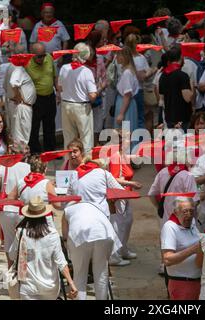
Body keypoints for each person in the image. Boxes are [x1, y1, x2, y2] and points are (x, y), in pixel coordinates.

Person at [9, 196, 77, 300]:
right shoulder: (53, 234)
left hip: (28, 287)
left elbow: (12, 255)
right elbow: (61, 262)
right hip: (50, 287)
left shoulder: (21, 232)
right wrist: (71, 283)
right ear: (44, 214)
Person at [62, 201, 121, 300]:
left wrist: (68, 249)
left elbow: (65, 235)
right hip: (104, 235)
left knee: (80, 274)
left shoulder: (67, 210)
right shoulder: (95, 207)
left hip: (81, 237)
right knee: (101, 273)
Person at [0, 140, 31, 265]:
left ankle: (10, 269)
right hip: (23, 209)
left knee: (8, 241)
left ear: (11, 152)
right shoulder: (28, 168)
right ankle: (22, 269)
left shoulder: (3, 167)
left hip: (6, 209)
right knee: (24, 241)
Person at [108, 130, 142, 265]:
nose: (130, 141)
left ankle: (123, 249)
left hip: (125, 194)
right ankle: (114, 256)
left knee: (127, 222)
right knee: (118, 225)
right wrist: (131, 183)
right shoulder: (116, 156)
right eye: (128, 139)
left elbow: (134, 157)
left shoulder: (122, 154)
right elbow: (114, 179)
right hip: (118, 195)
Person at [58, 43, 97, 154]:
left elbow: (59, 87)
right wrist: (100, 88)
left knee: (68, 137)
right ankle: (85, 163)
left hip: (66, 105)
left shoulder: (64, 68)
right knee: (86, 138)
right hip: (81, 107)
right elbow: (92, 96)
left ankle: (69, 163)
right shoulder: (86, 72)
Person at [161, 197, 201, 300]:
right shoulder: (170, 227)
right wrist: (192, 250)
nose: (189, 215)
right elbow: (167, 259)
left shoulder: (192, 223)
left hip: (198, 281)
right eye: (185, 211)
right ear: (176, 212)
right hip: (182, 283)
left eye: (191, 211)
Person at [26, 42, 57, 153]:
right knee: (34, 126)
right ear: (32, 54)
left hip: (50, 97)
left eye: (43, 55)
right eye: (39, 56)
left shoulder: (49, 58)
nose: (42, 58)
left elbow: (54, 75)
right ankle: (35, 151)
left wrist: (57, 90)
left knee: (50, 125)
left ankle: (50, 150)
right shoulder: (27, 63)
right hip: (36, 99)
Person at [4, 44, 36, 144]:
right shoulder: (17, 68)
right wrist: (19, 97)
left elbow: (5, 86)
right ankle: (22, 159)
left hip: (18, 105)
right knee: (22, 139)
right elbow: (13, 83)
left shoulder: (11, 66)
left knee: (19, 138)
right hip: (21, 106)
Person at [158, 45, 193, 130]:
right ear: (181, 57)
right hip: (182, 116)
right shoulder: (183, 75)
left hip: (169, 116)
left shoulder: (163, 75)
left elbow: (161, 97)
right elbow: (188, 98)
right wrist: (191, 85)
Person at [114, 47, 139, 133]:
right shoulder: (128, 70)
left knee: (124, 133)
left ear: (123, 57)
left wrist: (121, 114)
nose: (116, 57)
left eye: (118, 55)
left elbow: (127, 94)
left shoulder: (127, 73)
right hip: (126, 104)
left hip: (124, 105)